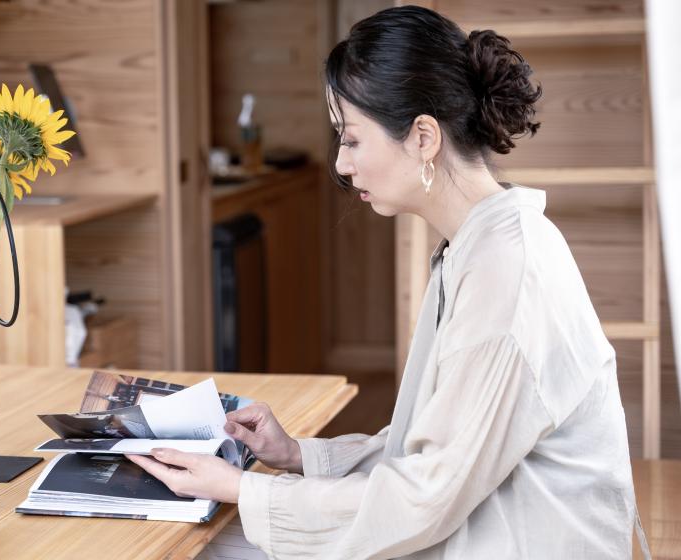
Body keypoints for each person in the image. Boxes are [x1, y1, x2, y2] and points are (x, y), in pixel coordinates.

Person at [129, 6, 648, 559]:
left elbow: (427, 494)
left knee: (201, 547)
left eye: (351, 140)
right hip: (489, 521)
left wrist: (239, 486)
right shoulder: (482, 244)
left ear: (423, 137)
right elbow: (444, 451)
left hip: (517, 541)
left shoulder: (507, 270)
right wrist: (299, 455)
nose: (341, 164)